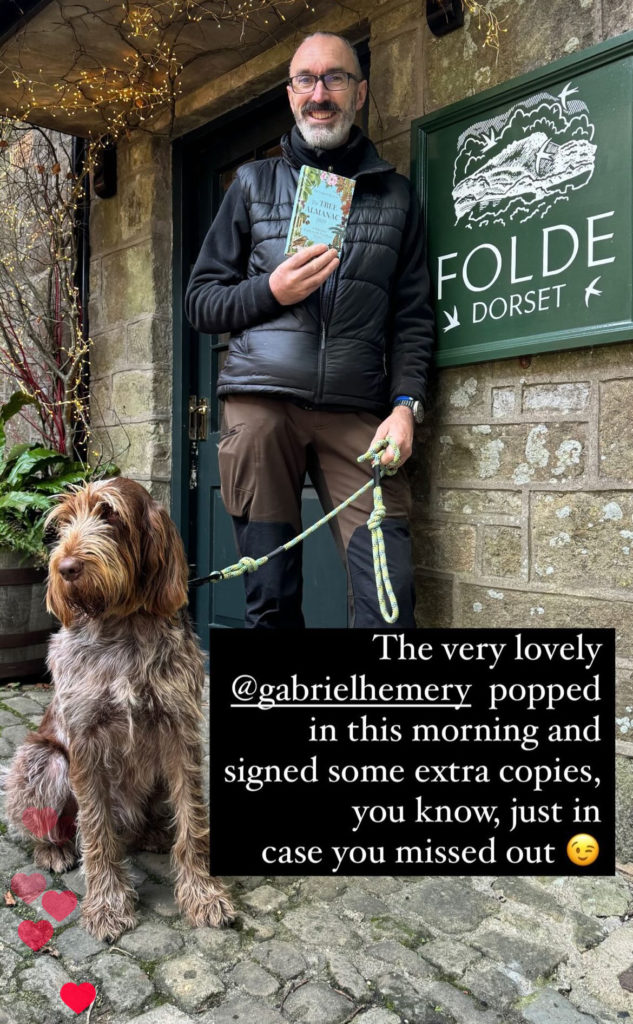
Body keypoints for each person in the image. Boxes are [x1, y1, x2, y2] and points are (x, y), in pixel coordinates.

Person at [185, 31, 435, 629]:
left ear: (361, 91)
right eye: (306, 80)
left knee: (389, 600)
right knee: (269, 600)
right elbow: (200, 302)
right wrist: (271, 290)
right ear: (290, 93)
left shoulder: (396, 196)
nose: (319, 94)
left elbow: (414, 319)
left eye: (335, 78)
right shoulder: (251, 185)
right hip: (263, 405)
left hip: (359, 413)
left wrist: (406, 408)